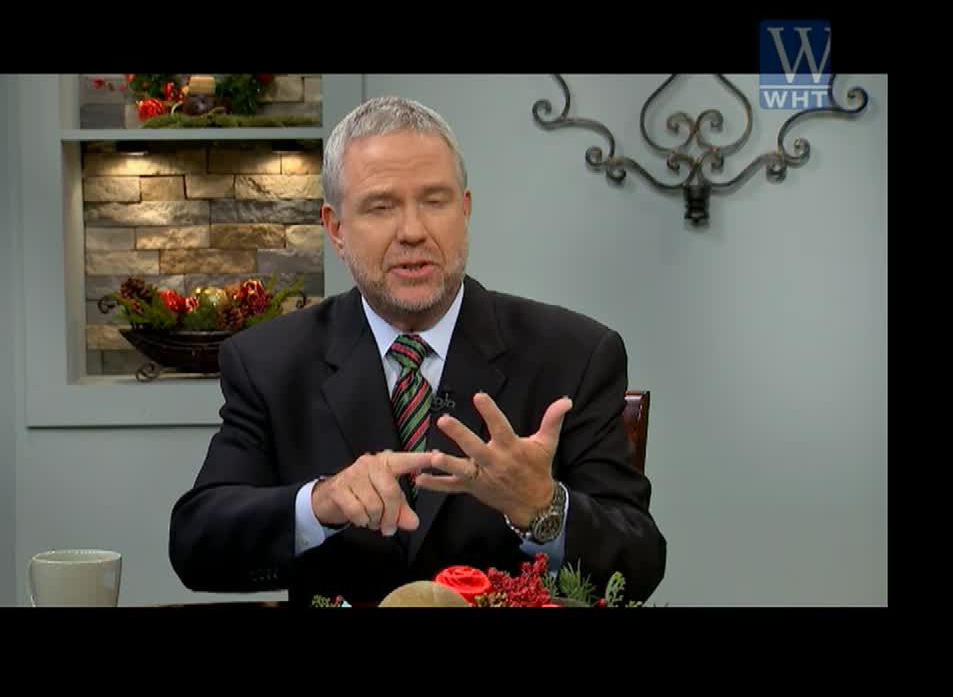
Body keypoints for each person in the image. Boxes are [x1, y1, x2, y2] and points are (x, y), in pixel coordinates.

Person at [169, 96, 667, 606]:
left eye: (434, 201)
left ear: (465, 209)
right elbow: (196, 544)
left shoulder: (575, 354)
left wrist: (543, 507)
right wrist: (320, 503)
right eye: (381, 206)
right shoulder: (269, 361)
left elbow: (641, 561)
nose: (412, 231)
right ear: (336, 229)